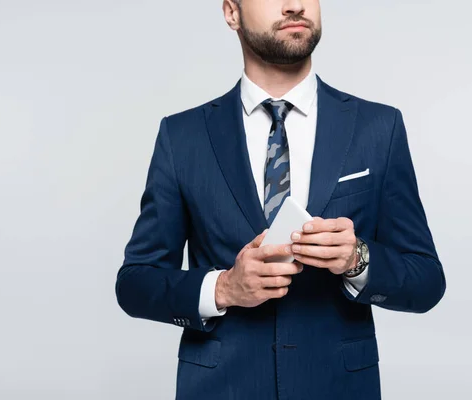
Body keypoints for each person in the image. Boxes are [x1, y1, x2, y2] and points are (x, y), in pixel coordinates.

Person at [115, 0, 446, 398]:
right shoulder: (182, 136)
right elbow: (135, 283)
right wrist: (223, 288)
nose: (295, 5)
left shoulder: (378, 127)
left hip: (338, 387)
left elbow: (426, 280)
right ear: (232, 13)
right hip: (222, 388)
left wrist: (357, 259)